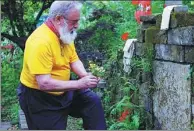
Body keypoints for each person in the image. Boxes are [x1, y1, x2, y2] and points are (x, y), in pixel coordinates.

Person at [17, 1, 106, 130]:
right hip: (39, 98)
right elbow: (44, 83)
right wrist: (80, 84)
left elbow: (74, 60)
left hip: (63, 89)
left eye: (78, 21)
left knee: (92, 102)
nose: (77, 25)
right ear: (59, 19)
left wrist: (85, 76)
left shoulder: (64, 34)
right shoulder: (40, 42)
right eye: (74, 21)